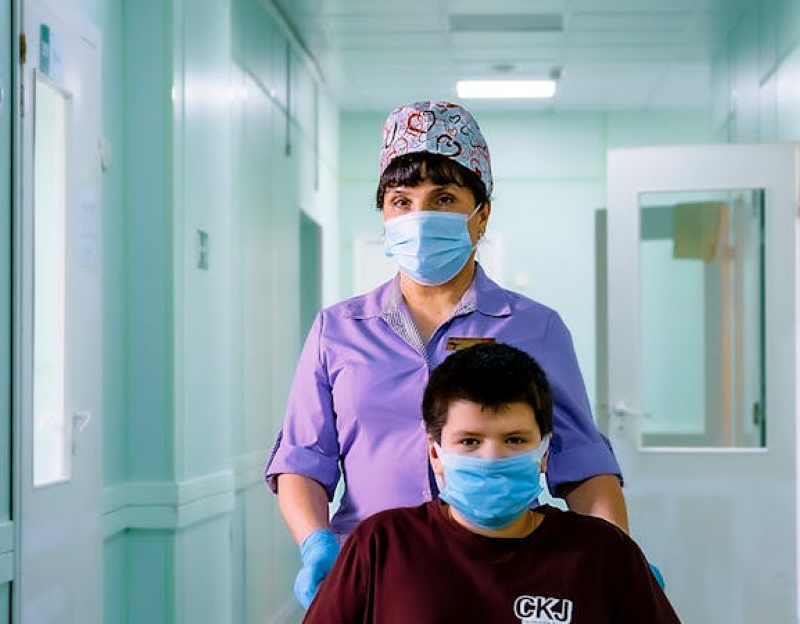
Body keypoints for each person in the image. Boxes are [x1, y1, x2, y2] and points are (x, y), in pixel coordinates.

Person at [265, 101, 628, 608]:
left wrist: (621, 558)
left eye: (443, 198)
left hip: (503, 579)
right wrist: (317, 545)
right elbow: (303, 459)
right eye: (401, 200)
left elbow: (582, 461)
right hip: (371, 575)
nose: (419, 216)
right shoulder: (339, 331)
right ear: (385, 215)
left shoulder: (534, 328)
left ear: (481, 216)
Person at [302, 343, 679, 624]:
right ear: (436, 454)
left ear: (545, 452)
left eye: (515, 440)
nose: (492, 458)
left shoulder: (601, 553)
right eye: (469, 441)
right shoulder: (382, 545)